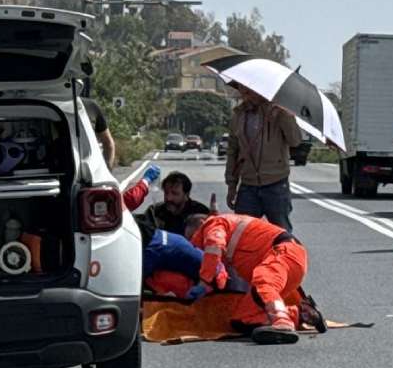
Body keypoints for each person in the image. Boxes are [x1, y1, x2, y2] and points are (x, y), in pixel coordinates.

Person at [184, 213, 325, 345]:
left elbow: (214, 245)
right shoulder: (227, 229)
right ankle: (302, 313)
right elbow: (219, 263)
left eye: (192, 236)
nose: (193, 242)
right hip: (286, 260)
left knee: (262, 281)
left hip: (284, 253)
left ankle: (283, 323)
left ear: (201, 223)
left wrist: (204, 281)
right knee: (242, 320)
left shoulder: (214, 223)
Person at [225, 83, 302, 232]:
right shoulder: (238, 115)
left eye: (248, 91)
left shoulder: (279, 111)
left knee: (281, 234)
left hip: (276, 184)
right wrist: (231, 185)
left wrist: (284, 115)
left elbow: (295, 141)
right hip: (248, 184)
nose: (245, 95)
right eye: (242, 91)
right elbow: (233, 152)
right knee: (241, 233)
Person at [139, 172, 210, 235]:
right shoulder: (154, 212)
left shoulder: (200, 212)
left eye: (175, 193)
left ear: (186, 195)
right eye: (166, 193)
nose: (168, 198)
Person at [82, 99, 116, 169]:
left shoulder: (90, 106)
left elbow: (108, 143)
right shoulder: (90, 106)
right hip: (90, 169)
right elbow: (108, 143)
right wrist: (107, 169)